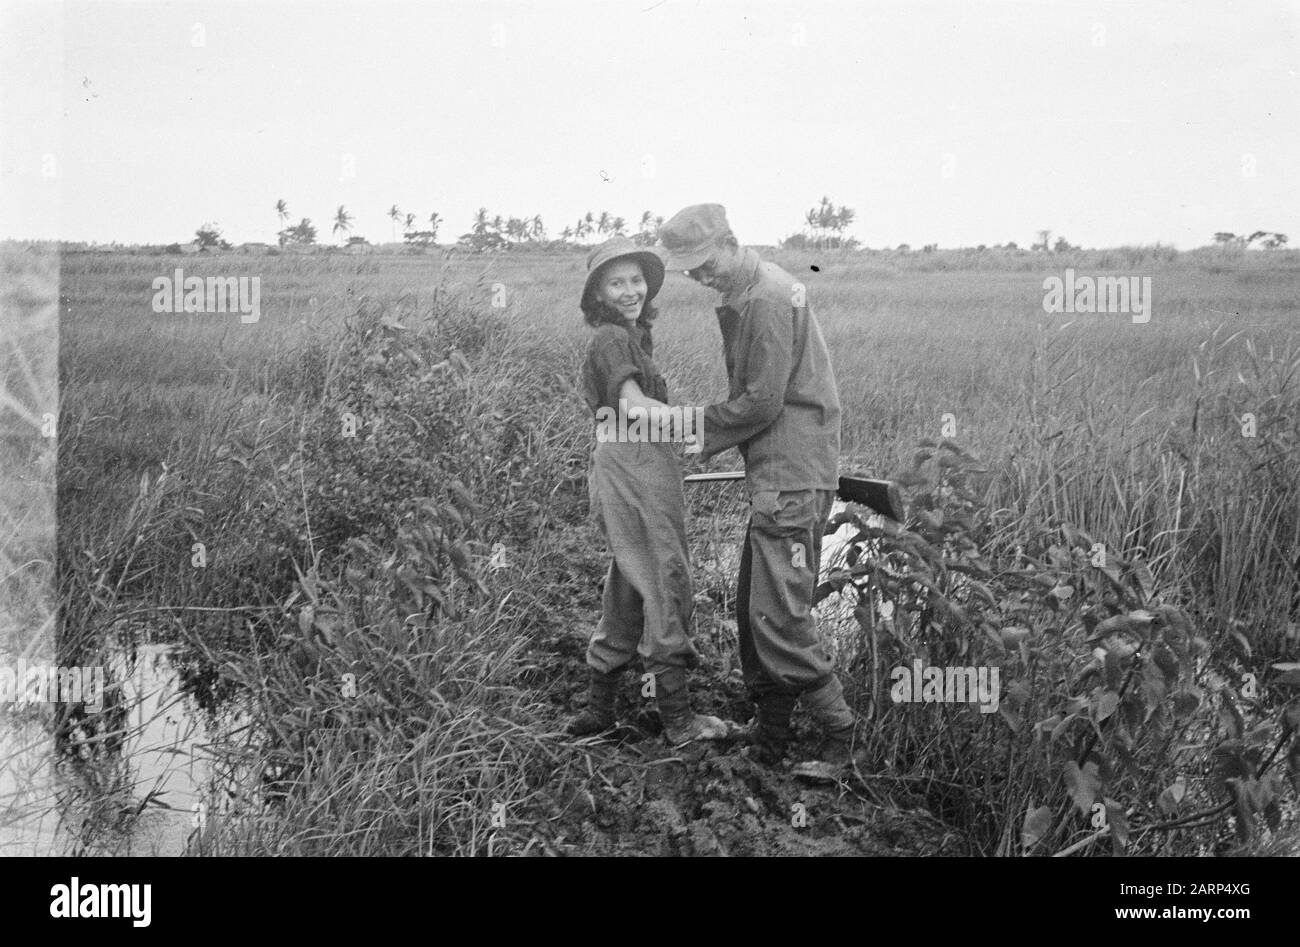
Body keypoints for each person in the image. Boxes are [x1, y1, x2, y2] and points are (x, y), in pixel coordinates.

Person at [657, 204, 861, 778]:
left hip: (790, 477)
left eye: (704, 262)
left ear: (730, 242)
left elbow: (763, 401)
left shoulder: (767, 297)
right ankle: (770, 736)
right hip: (781, 473)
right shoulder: (753, 289)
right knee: (757, 609)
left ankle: (844, 741)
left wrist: (694, 432)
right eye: (689, 268)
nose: (699, 275)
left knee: (780, 616)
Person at [567, 237, 729, 746]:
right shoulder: (612, 340)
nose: (630, 290)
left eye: (636, 280)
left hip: (632, 460)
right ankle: (679, 721)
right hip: (633, 462)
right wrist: (701, 423)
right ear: (597, 293)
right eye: (615, 283)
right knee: (664, 576)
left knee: (630, 575)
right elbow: (635, 408)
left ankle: (599, 708)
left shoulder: (631, 336)